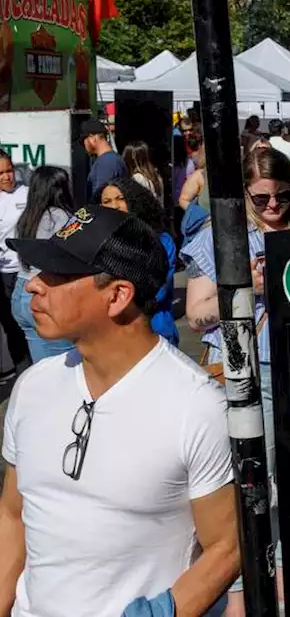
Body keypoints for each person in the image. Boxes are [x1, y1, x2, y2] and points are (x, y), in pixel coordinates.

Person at [0, 205, 239, 617]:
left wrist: (161, 612)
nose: (35, 285)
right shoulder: (32, 386)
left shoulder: (196, 406)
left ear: (117, 295)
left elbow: (227, 545)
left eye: (59, 274)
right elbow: (12, 514)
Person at [182, 148, 290, 591]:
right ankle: (247, 584)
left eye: (283, 197)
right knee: (256, 483)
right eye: (261, 199)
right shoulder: (222, 236)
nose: (273, 207)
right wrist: (245, 289)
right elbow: (196, 314)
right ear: (243, 196)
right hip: (248, 374)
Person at [95, 178, 180, 347]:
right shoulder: (98, 242)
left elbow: (159, 289)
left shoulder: (161, 241)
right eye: (107, 201)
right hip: (110, 334)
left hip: (154, 330)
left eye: (120, 199)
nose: (115, 206)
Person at [10, 166, 73, 362]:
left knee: (42, 365)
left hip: (21, 291)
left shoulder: (27, 217)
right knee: (62, 366)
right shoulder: (60, 216)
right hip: (45, 292)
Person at [0, 151, 28, 372]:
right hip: (2, 275)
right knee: (10, 326)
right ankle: (21, 370)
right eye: (0, 173)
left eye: (9, 170)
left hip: (24, 271)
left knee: (26, 324)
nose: (7, 177)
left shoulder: (26, 193)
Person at [81, 120, 125, 196]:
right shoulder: (112, 159)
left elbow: (101, 198)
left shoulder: (106, 163)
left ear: (92, 138)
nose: (83, 145)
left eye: (83, 140)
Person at [267, 118, 290, 183]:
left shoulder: (263, 146)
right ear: (282, 130)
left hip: (268, 184)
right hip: (286, 184)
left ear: (269, 130)